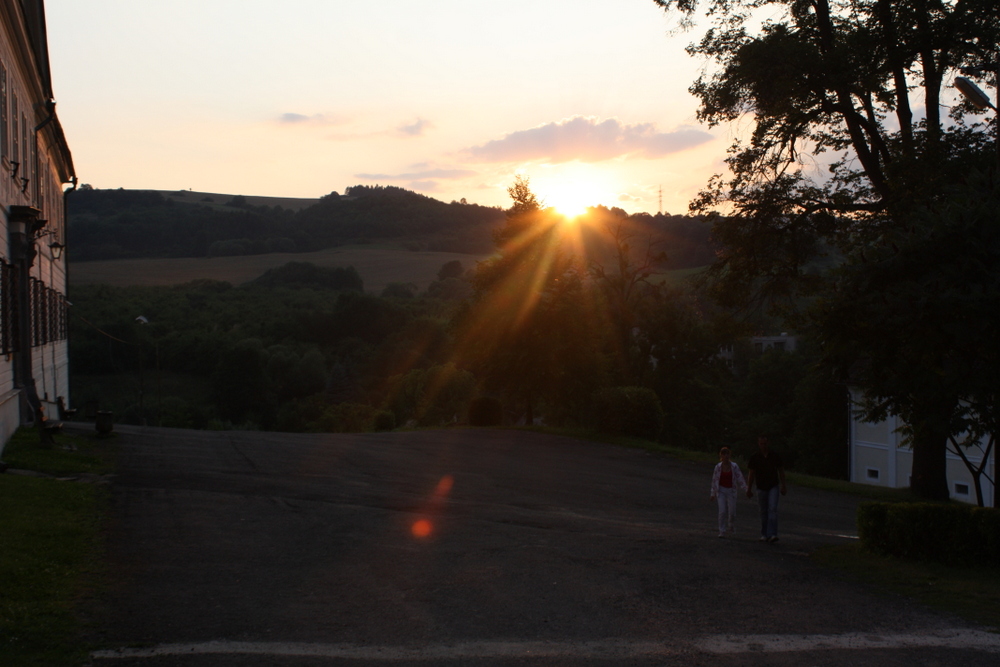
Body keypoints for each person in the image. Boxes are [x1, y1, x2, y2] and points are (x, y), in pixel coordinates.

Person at [745, 435, 787, 543]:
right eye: (761, 444)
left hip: (773, 486)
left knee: (772, 509)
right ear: (758, 444)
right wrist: (749, 488)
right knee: (763, 511)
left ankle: (772, 534)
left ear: (768, 443)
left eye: (765, 443)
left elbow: (781, 471)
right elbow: (751, 474)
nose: (763, 446)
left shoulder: (774, 456)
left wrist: (783, 485)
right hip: (761, 487)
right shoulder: (755, 457)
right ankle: (764, 533)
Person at [710, 446, 747, 537]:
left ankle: (731, 525)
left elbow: (740, 478)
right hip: (721, 490)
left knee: (732, 512)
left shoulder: (734, 466)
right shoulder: (718, 467)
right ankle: (722, 530)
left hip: (731, 490)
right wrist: (713, 493)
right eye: (724, 454)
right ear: (721, 456)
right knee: (722, 511)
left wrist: (746, 489)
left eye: (727, 454)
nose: (726, 456)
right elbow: (714, 480)